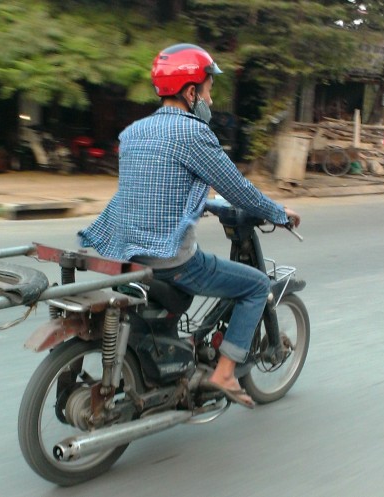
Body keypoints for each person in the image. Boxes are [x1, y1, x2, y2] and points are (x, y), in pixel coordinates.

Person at [78, 43, 300, 409]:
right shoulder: (193, 134)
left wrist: (207, 204)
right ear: (191, 92)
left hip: (126, 252)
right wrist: (279, 212)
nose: (210, 101)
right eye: (208, 91)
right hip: (170, 261)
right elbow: (238, 188)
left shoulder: (135, 132)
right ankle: (224, 372)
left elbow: (157, 191)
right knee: (257, 285)